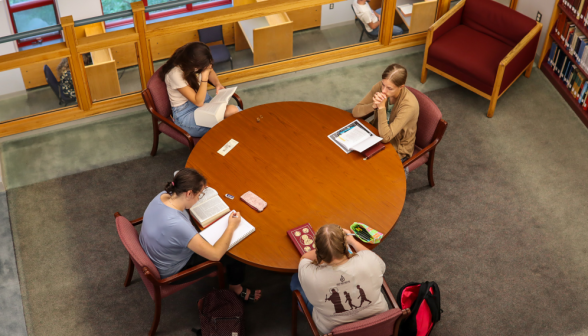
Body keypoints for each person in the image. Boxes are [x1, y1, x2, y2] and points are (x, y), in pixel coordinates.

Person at [139, 168, 261, 302]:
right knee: (235, 251)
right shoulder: (177, 225)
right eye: (200, 195)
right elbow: (215, 255)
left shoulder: (164, 195)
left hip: (157, 252)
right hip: (174, 271)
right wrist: (231, 226)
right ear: (189, 193)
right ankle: (236, 287)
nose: (199, 198)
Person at [290, 224, 388, 335]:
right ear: (345, 246)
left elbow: (305, 258)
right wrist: (352, 242)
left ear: (318, 251)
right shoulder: (369, 260)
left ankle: (301, 306)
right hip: (379, 321)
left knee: (295, 280)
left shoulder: (310, 274)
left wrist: (326, 249)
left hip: (334, 329)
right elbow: (379, 262)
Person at [159, 42, 240, 138]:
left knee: (234, 112)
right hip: (186, 112)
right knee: (227, 122)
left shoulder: (193, 57)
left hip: (204, 101)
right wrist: (204, 77)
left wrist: (217, 83)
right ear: (194, 65)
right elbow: (198, 102)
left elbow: (210, 70)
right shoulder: (175, 74)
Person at [352, 63, 419, 166]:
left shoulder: (409, 105)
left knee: (368, 169)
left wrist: (382, 107)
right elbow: (356, 112)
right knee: (350, 156)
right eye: (383, 84)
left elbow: (386, 138)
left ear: (401, 87)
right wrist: (373, 105)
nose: (383, 90)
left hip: (397, 147)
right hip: (376, 133)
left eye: (389, 88)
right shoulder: (380, 86)